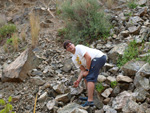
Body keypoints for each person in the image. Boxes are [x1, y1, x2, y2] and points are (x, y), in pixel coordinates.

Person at [63, 40, 106, 107]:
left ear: (73, 44)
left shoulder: (79, 47)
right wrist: (78, 81)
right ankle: (89, 96)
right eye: (67, 46)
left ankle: (90, 101)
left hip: (99, 57)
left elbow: (88, 58)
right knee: (86, 78)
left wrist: (88, 70)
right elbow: (83, 70)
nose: (70, 46)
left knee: (90, 77)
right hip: (92, 61)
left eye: (70, 44)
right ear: (67, 50)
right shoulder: (74, 58)